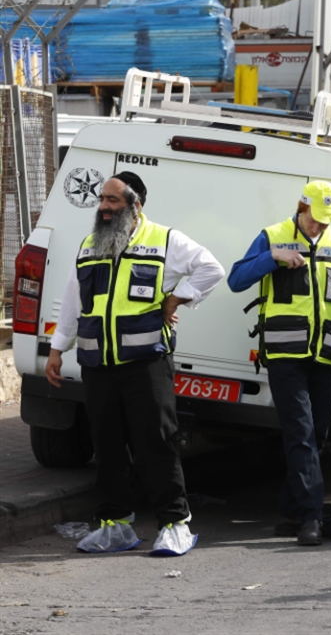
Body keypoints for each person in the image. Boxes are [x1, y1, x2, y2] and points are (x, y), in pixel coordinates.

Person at [45, 171, 225, 556]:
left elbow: (212, 269)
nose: (105, 207)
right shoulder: (90, 244)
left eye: (113, 200)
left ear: (135, 204)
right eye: (102, 200)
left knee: (156, 444)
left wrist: (178, 299)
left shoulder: (165, 240)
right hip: (98, 364)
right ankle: (116, 525)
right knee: (107, 446)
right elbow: (75, 300)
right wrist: (58, 349)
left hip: (146, 364)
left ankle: (175, 524)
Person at [228, 180, 331, 547]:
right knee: (299, 432)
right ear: (301, 208)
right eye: (315, 220)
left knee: (317, 435)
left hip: (329, 352)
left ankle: (290, 511)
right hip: (285, 352)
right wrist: (273, 258)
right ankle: (312, 518)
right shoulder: (273, 236)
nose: (320, 227)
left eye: (327, 221)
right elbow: (236, 279)